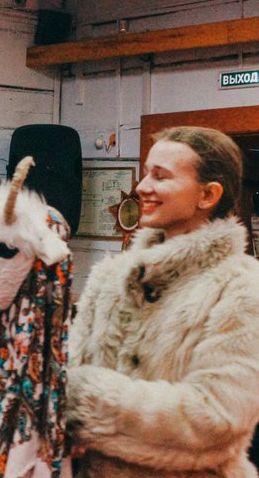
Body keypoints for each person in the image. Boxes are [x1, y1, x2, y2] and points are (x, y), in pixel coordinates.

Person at [67, 126, 259, 478]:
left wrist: (88, 400)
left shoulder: (241, 288)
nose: (142, 186)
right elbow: (70, 371)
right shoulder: (110, 278)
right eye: (145, 173)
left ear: (207, 195)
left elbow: (217, 416)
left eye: (161, 176)